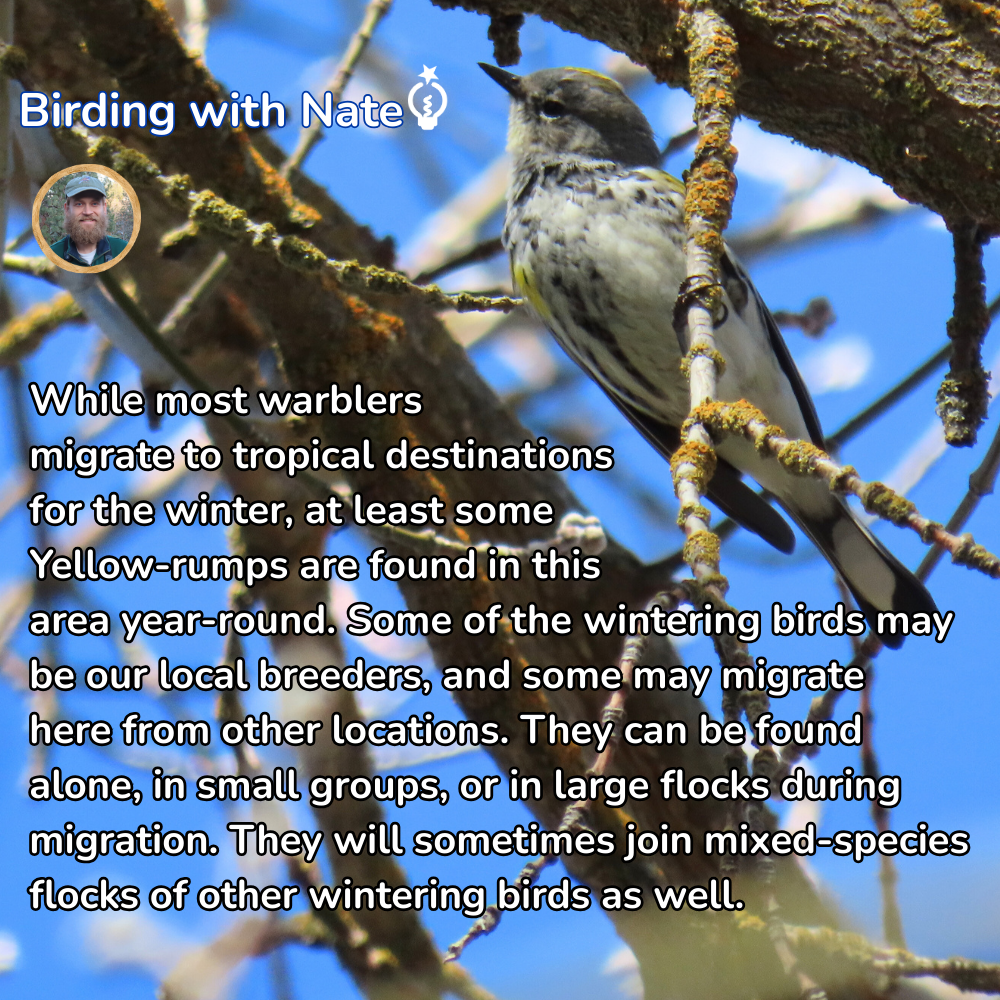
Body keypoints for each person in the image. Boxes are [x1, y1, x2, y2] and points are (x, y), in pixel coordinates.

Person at [47, 174, 128, 266]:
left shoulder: (124, 250)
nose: (87, 212)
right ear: (67, 209)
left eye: (94, 204)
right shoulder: (50, 256)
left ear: (104, 208)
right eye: (79, 204)